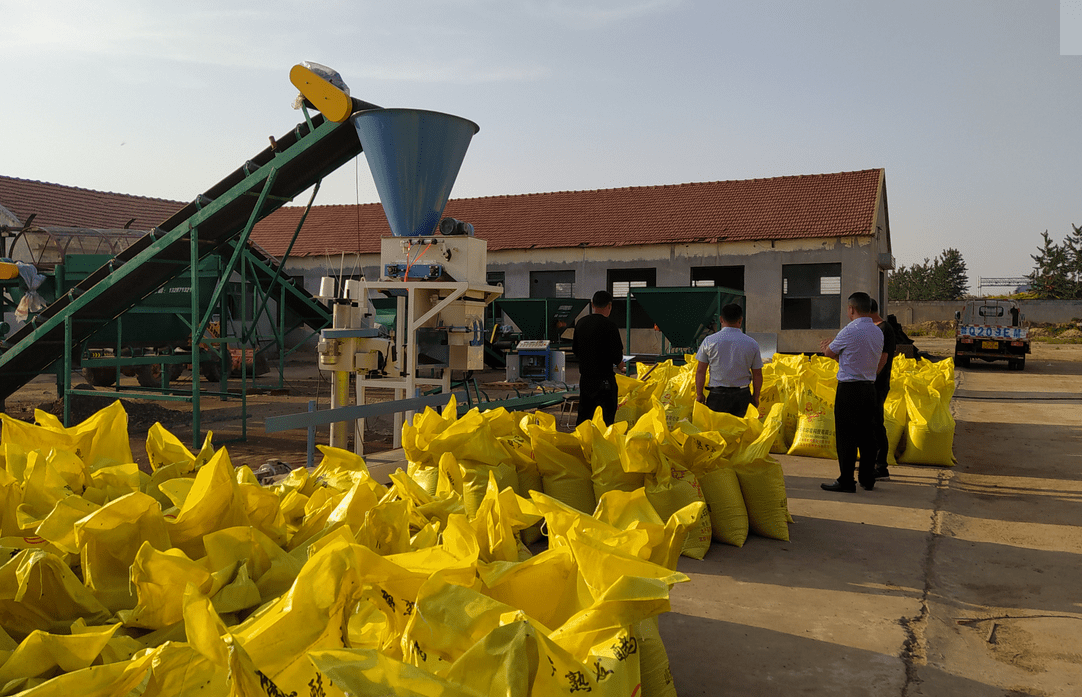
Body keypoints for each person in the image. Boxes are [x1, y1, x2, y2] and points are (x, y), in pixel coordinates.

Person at [819, 292, 884, 493]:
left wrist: (826, 348)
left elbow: (830, 352)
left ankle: (846, 480)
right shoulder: (877, 331)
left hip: (849, 389)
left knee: (846, 436)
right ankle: (867, 477)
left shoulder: (850, 330)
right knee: (868, 435)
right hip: (869, 388)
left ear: (851, 309)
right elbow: (858, 358)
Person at [694, 303, 763, 416]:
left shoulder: (709, 341)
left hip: (717, 396)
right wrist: (755, 396)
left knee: (716, 432)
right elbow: (757, 374)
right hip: (742, 396)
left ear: (721, 319)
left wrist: (699, 394)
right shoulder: (752, 343)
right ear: (740, 320)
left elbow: (700, 371)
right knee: (740, 431)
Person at [572, 290, 625, 425]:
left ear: (592, 304)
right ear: (609, 306)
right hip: (605, 382)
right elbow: (617, 356)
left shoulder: (580, 323)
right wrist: (620, 365)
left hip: (586, 380)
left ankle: (583, 444)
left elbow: (575, 350)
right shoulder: (610, 326)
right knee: (607, 420)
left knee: (584, 417)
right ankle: (603, 445)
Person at [869, 299, 897, 480]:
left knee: (876, 423)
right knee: (869, 424)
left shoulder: (884, 329)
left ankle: (882, 467)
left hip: (877, 384)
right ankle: (870, 463)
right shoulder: (874, 329)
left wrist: (871, 378)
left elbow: (883, 358)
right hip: (870, 383)